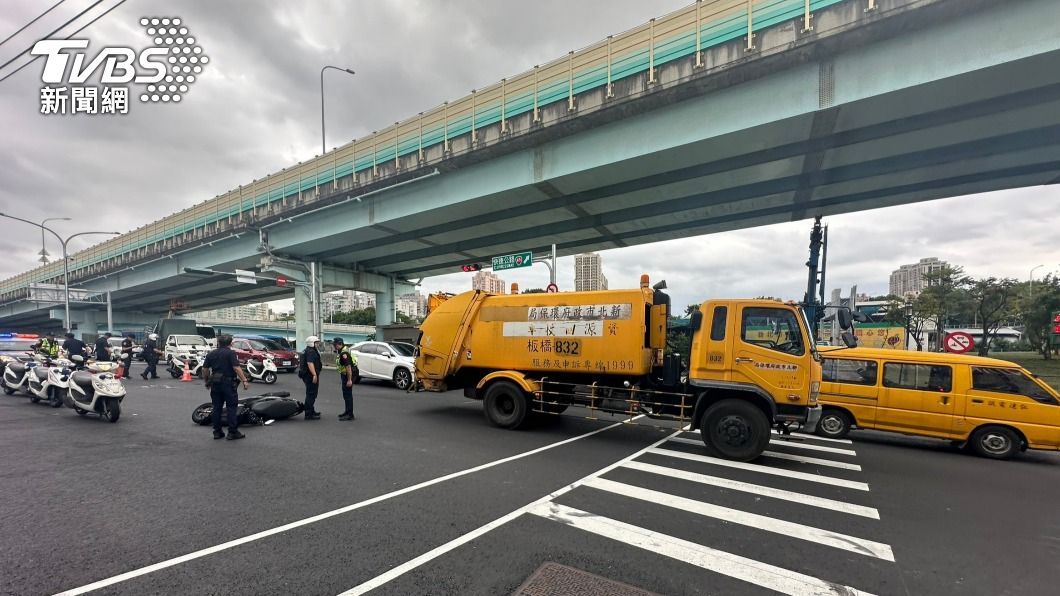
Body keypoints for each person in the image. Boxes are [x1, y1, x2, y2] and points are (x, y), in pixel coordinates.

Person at [202, 334, 250, 440]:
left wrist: (207, 381)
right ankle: (232, 432)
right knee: (231, 407)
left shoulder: (211, 353)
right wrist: (244, 380)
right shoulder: (231, 353)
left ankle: (217, 432)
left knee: (216, 407)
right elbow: (236, 368)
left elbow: (205, 369)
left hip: (215, 383)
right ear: (230, 343)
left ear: (218, 343)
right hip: (228, 383)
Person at [333, 337, 357, 421]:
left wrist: (349, 379)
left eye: (335, 344)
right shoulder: (343, 350)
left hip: (348, 374)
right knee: (346, 394)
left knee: (348, 395)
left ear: (339, 344)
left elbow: (348, 366)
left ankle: (350, 415)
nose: (334, 346)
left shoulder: (344, 353)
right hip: (345, 374)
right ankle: (347, 411)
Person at [300, 335, 322, 420]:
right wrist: (314, 375)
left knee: (311, 393)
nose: (317, 344)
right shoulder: (311, 352)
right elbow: (310, 363)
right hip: (310, 376)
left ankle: (311, 411)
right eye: (316, 343)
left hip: (307, 375)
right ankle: (308, 414)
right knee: (311, 394)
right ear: (311, 343)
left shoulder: (308, 350)